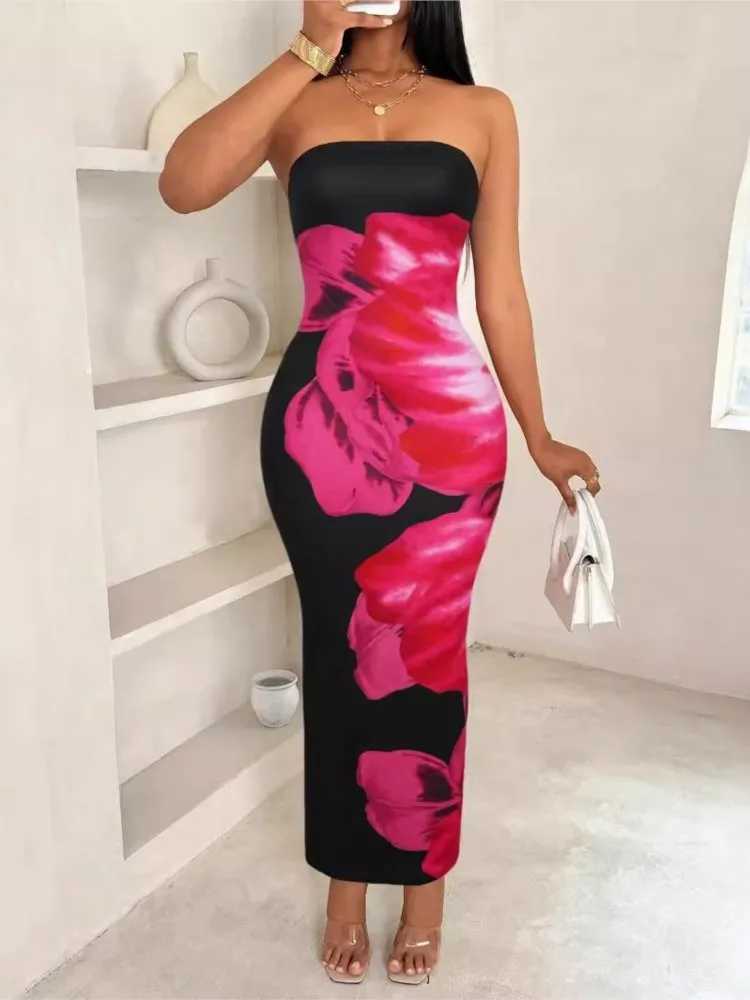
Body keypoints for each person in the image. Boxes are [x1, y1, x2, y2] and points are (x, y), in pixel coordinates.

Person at [159, 0, 600, 985]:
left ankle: (425, 885)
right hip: (321, 428)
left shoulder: (483, 110)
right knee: (335, 652)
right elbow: (183, 184)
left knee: (429, 658)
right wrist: (309, 45)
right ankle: (347, 884)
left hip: (452, 433)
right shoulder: (295, 98)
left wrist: (538, 431)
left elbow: (500, 289)